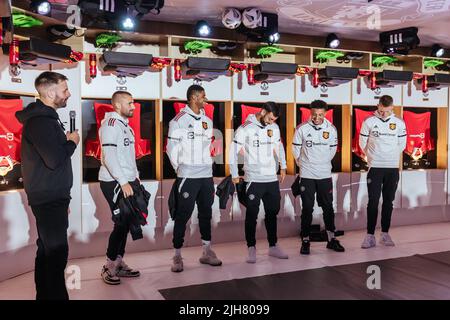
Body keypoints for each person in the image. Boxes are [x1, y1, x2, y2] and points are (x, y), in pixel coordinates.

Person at [15, 71, 80, 300]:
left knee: (46, 251)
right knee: (56, 255)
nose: (68, 94)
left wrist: (63, 198)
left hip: (53, 197)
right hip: (49, 198)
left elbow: (51, 160)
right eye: (64, 90)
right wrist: (72, 143)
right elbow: (54, 160)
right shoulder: (41, 121)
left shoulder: (46, 118)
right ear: (51, 92)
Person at [166, 84, 222, 272]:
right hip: (188, 175)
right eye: (203, 96)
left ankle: (206, 252)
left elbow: (207, 147)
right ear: (194, 97)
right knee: (182, 216)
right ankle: (177, 256)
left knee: (206, 214)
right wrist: (180, 168)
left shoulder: (207, 120)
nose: (206, 99)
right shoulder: (178, 120)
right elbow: (171, 148)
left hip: (206, 175)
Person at [229, 101, 288, 263]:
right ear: (262, 112)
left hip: (271, 178)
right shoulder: (245, 128)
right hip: (253, 178)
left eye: (274, 120)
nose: (271, 122)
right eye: (269, 118)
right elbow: (232, 151)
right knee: (252, 214)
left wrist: (284, 165)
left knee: (272, 212)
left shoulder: (274, 128)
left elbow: (279, 146)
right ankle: (251, 248)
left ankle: (273, 246)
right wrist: (234, 173)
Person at [99, 91, 142, 284]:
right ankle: (108, 266)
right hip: (114, 182)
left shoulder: (126, 126)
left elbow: (128, 158)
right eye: (130, 103)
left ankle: (118, 261)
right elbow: (109, 156)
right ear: (117, 105)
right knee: (121, 223)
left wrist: (135, 179)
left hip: (127, 180)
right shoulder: (110, 125)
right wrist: (123, 181)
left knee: (126, 223)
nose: (133, 106)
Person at [292, 100, 345, 255]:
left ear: (325, 113)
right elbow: (295, 151)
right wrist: (305, 165)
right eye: (314, 114)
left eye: (320, 114)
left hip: (324, 174)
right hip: (307, 175)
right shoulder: (302, 128)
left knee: (328, 207)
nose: (316, 117)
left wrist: (321, 163)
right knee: (307, 208)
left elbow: (332, 150)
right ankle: (306, 240)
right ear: (310, 112)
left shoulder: (331, 129)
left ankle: (331, 239)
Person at [359, 95, 407, 248]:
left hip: (392, 168)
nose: (384, 114)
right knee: (373, 201)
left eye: (387, 111)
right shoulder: (369, 121)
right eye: (382, 111)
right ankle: (370, 235)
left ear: (392, 108)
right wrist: (372, 156)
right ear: (378, 106)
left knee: (388, 202)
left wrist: (390, 156)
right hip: (375, 168)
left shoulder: (399, 122)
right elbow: (362, 143)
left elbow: (402, 144)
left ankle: (385, 234)